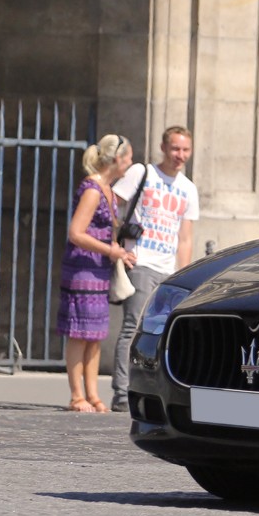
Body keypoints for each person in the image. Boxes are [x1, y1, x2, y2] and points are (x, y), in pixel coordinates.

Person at [111, 126, 199, 412]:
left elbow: (185, 237)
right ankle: (122, 393)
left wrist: (182, 276)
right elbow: (112, 206)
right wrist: (118, 247)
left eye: (185, 150)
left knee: (162, 334)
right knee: (132, 328)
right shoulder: (142, 173)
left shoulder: (188, 189)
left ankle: (153, 392)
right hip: (141, 262)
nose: (180, 155)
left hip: (167, 270)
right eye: (175, 149)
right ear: (163, 148)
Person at [56, 135, 136, 412]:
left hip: (98, 267)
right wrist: (110, 251)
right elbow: (76, 232)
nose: (130, 163)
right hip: (83, 268)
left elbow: (101, 233)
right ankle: (77, 395)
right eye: (128, 158)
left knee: (95, 333)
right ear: (116, 159)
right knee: (79, 332)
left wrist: (120, 252)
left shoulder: (108, 189)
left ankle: (93, 394)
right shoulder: (93, 189)